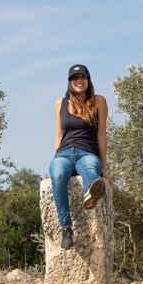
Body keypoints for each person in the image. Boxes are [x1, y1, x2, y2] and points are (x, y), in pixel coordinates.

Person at [48, 64, 111, 250]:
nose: (79, 80)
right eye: (75, 78)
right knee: (58, 174)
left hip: (88, 153)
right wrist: (55, 159)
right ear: (70, 82)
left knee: (91, 168)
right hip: (65, 153)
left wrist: (105, 169)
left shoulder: (98, 101)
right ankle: (66, 229)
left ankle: (90, 192)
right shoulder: (60, 103)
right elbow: (59, 134)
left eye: (83, 77)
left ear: (88, 80)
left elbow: (101, 134)